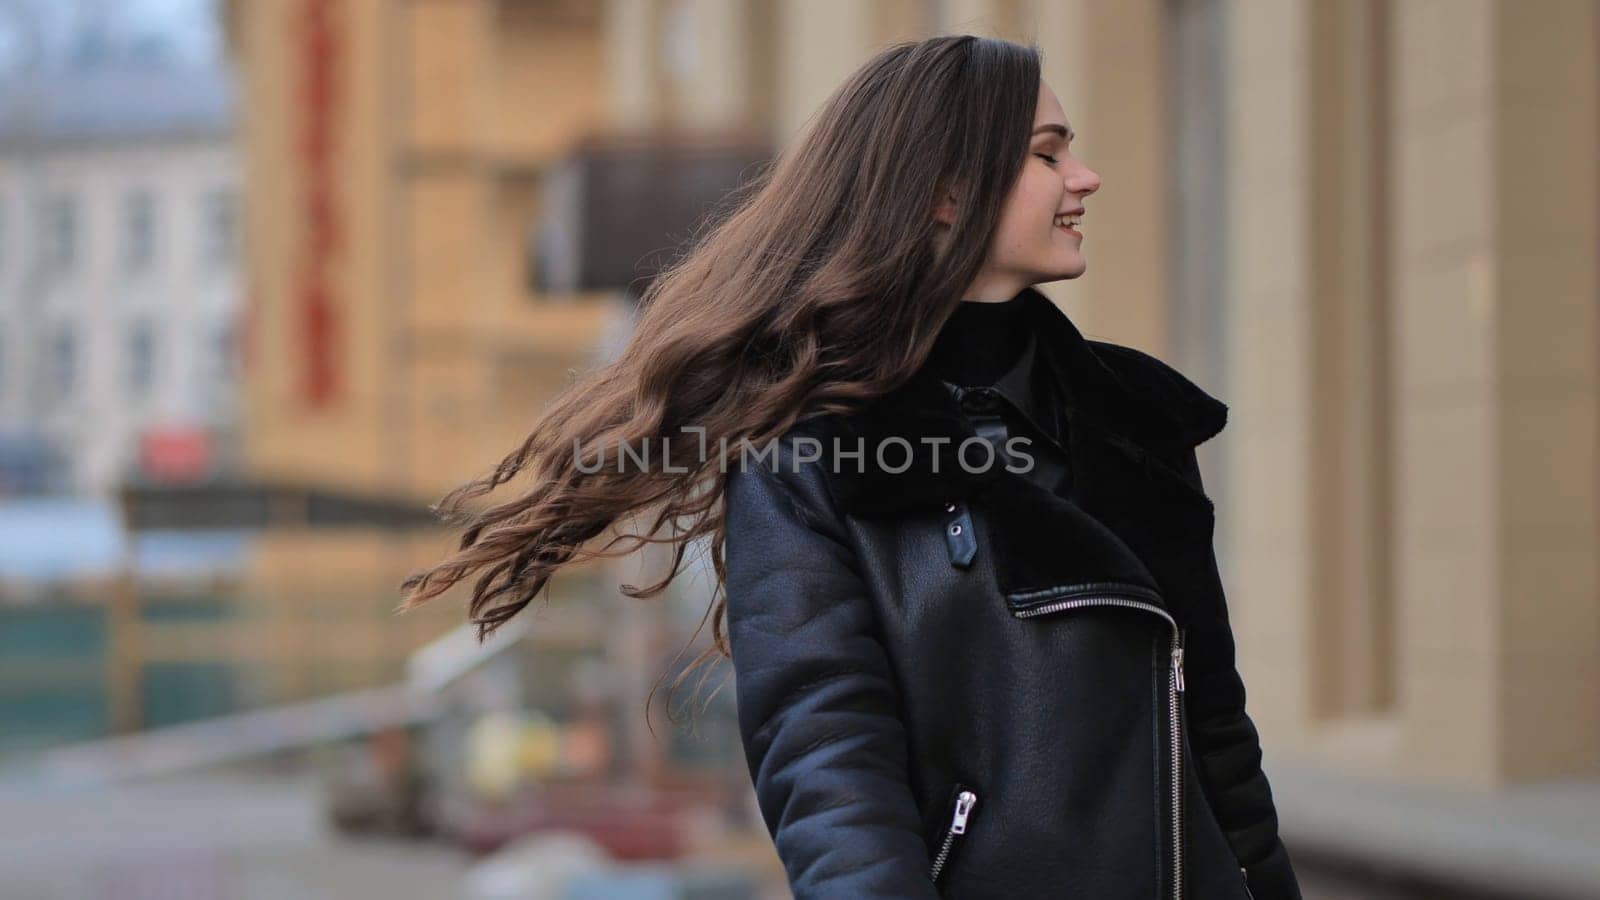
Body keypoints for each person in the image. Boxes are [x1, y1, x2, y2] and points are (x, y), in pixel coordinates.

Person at [399, 33, 1301, 900]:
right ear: (947, 195)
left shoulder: (1134, 418)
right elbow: (829, 763)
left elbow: (1216, 733)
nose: (1084, 177)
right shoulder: (812, 456)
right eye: (1047, 155)